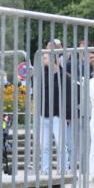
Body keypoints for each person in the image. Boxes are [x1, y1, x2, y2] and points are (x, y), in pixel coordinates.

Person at [37, 41, 74, 176]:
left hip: (58, 115)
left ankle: (63, 169)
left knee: (61, 144)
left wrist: (68, 114)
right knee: (44, 146)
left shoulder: (63, 76)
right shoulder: (41, 75)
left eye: (45, 57)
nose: (43, 59)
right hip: (44, 115)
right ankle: (45, 170)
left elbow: (68, 96)